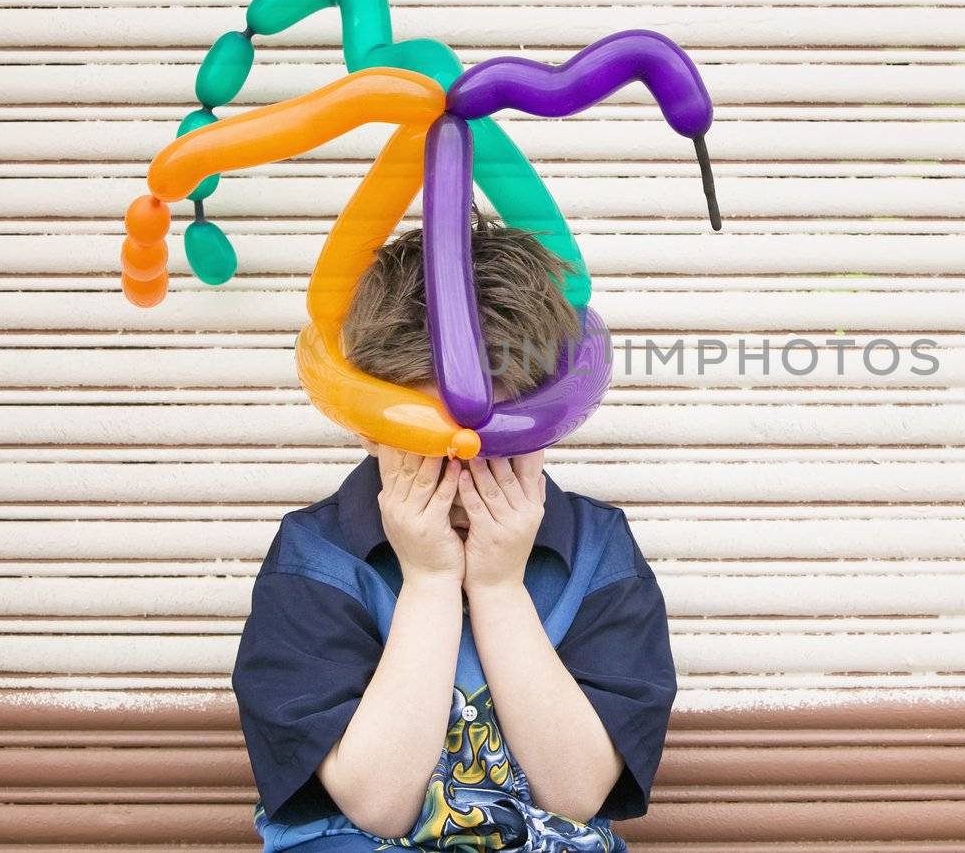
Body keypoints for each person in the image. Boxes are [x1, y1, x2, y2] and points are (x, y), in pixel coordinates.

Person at [231, 213, 677, 852]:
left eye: (498, 445)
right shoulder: (314, 557)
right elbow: (377, 804)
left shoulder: (599, 551)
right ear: (370, 427)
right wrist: (430, 579)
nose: (466, 477)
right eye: (428, 445)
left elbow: (579, 795)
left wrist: (498, 587)